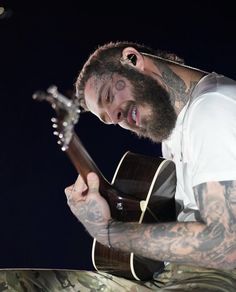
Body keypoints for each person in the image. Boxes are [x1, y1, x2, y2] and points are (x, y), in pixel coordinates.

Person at [64, 41, 236, 291]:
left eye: (109, 97)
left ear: (132, 60)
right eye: (108, 119)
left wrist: (107, 232)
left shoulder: (212, 109)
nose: (116, 118)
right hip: (176, 275)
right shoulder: (176, 134)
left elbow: (227, 247)